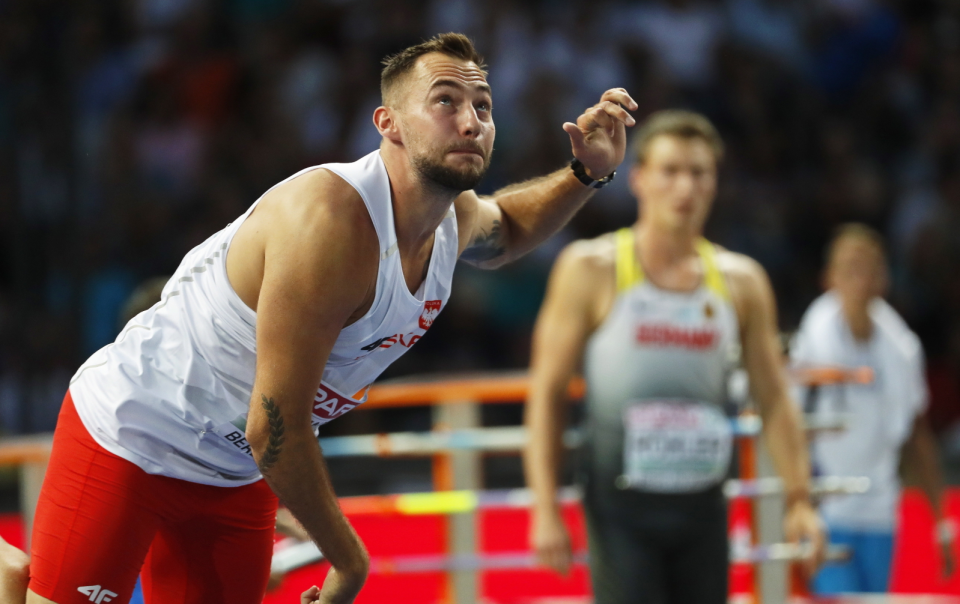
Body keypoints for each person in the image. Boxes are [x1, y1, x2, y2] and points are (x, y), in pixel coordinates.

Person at [23, 33, 638, 604]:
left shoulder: (454, 221)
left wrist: (587, 173)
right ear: (387, 124)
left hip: (233, 473)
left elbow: (507, 231)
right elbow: (276, 427)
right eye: (445, 100)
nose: (470, 120)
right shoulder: (330, 225)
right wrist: (348, 559)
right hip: (132, 436)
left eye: (483, 104)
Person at [523, 109, 824, 604]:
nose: (685, 187)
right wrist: (544, 505)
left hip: (703, 504)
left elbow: (773, 395)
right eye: (670, 171)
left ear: (715, 183)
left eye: (699, 172)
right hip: (619, 505)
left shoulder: (741, 281)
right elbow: (549, 392)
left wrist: (799, 499)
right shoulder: (589, 269)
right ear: (639, 180)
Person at [790, 224, 955, 594]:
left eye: (870, 269)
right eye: (849, 269)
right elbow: (792, 431)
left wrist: (941, 522)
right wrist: (797, 505)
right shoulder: (811, 343)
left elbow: (917, 435)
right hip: (828, 513)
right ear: (828, 278)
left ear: (885, 279)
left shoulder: (902, 348)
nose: (860, 280)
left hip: (881, 511)